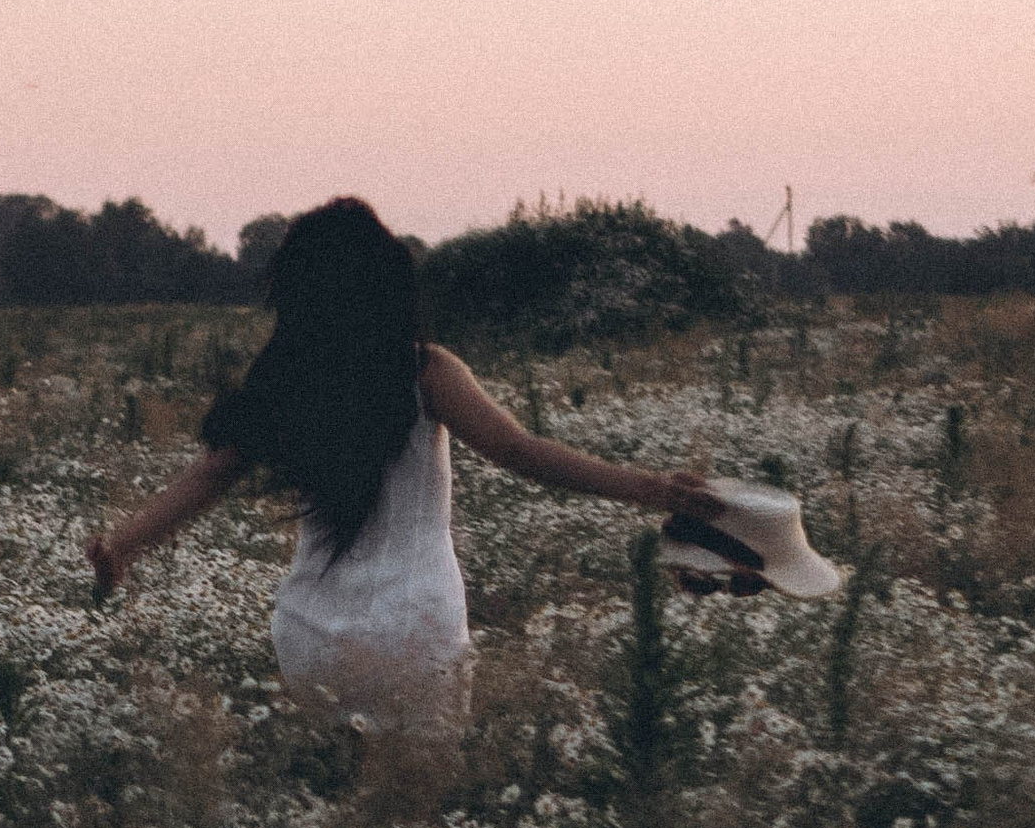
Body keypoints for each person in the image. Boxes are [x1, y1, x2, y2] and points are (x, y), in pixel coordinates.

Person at [84, 195, 727, 725]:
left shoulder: (285, 379)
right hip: (413, 622)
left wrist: (122, 548)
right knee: (417, 807)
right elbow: (518, 451)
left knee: (341, 806)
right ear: (385, 277)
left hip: (310, 629)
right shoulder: (423, 370)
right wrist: (653, 489)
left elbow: (208, 475)